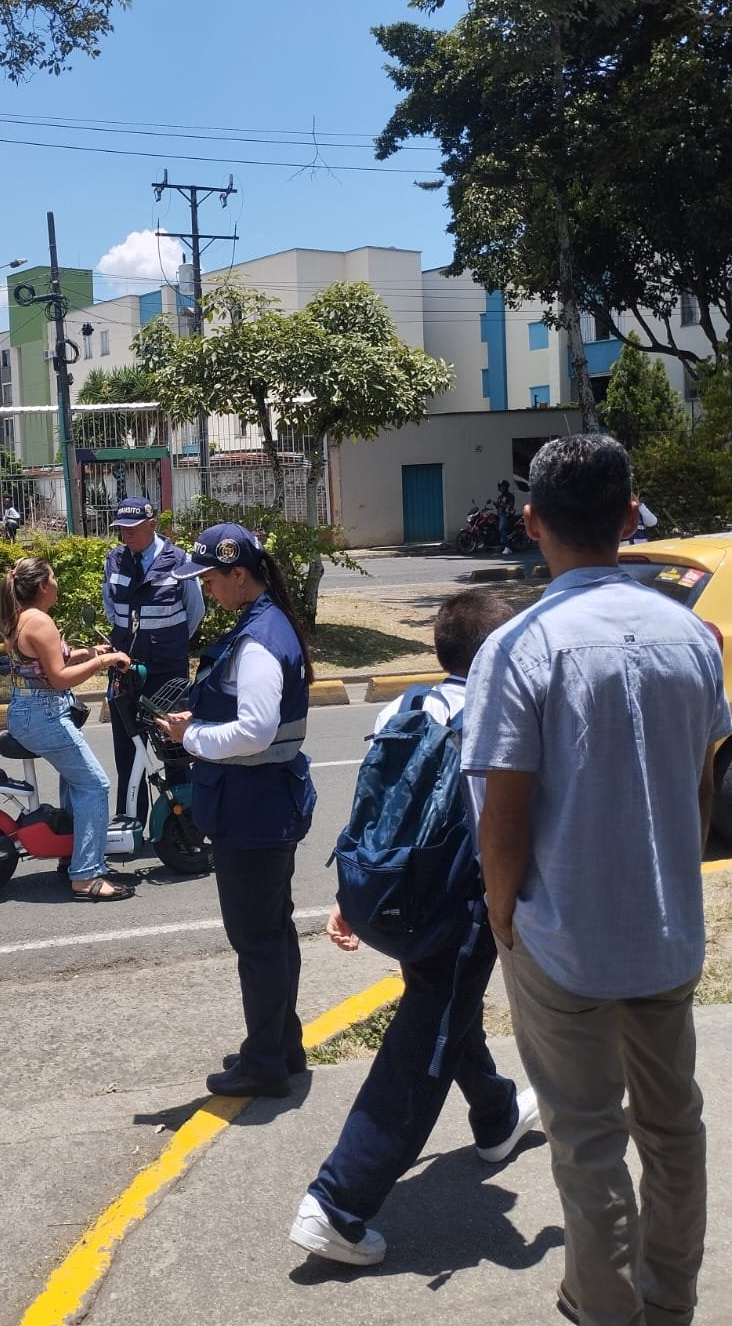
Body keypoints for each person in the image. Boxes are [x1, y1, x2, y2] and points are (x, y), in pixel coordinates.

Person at [464, 434, 728, 1326]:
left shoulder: (520, 645)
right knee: (673, 1128)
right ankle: (669, 1302)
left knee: (586, 1138)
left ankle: (605, 1307)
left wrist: (503, 911)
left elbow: (504, 812)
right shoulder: (692, 636)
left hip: (561, 934)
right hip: (665, 926)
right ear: (629, 515)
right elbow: (700, 784)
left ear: (532, 521)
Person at [290, 591, 541, 1267]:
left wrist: (351, 896)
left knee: (442, 1007)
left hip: (397, 897)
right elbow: (507, 829)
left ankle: (496, 1115)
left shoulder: (404, 707)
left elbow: (376, 812)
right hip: (457, 912)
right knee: (421, 1048)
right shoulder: (498, 723)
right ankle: (337, 1205)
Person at [161, 523, 316, 1098]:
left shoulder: (258, 641)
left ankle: (265, 1063)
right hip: (263, 806)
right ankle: (282, 1046)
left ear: (239, 573)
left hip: (254, 812)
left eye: (210, 578)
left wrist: (193, 737)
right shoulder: (264, 623)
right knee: (272, 934)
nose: (206, 587)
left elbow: (255, 731)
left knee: (257, 941)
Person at [0, 556, 133, 901]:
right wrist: (103, 661)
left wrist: (88, 653)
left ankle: (70, 853)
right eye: (54, 577)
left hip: (26, 710)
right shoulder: (40, 621)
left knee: (75, 780)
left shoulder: (19, 616)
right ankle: (86, 876)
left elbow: (43, 664)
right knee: (95, 785)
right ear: (43, 585)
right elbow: (58, 679)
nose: (57, 583)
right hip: (45, 715)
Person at [101, 497, 204, 821]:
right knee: (128, 754)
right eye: (122, 529)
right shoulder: (114, 560)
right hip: (125, 672)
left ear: (152, 525)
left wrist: (166, 644)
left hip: (166, 674)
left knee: (175, 751)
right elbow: (110, 608)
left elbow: (195, 611)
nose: (126, 535)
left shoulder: (179, 560)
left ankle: (184, 825)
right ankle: (130, 822)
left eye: (132, 528)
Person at [494, 479, 517, 556]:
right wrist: (495, 504)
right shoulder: (500, 497)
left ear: (506, 487)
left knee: (502, 529)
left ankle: (508, 547)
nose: (501, 488)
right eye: (500, 486)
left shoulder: (510, 496)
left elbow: (509, 506)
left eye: (503, 486)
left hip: (506, 515)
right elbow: (498, 506)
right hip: (500, 514)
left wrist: (500, 504)